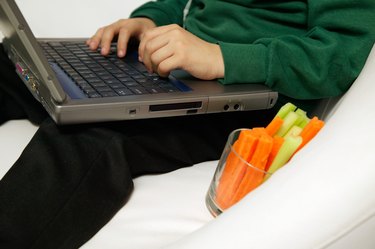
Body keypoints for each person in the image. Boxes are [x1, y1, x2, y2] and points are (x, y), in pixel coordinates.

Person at [0, 0, 374, 248]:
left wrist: (220, 57)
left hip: (252, 92)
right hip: (177, 66)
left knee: (91, 129)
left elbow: (341, 53)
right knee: (22, 65)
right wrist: (147, 21)